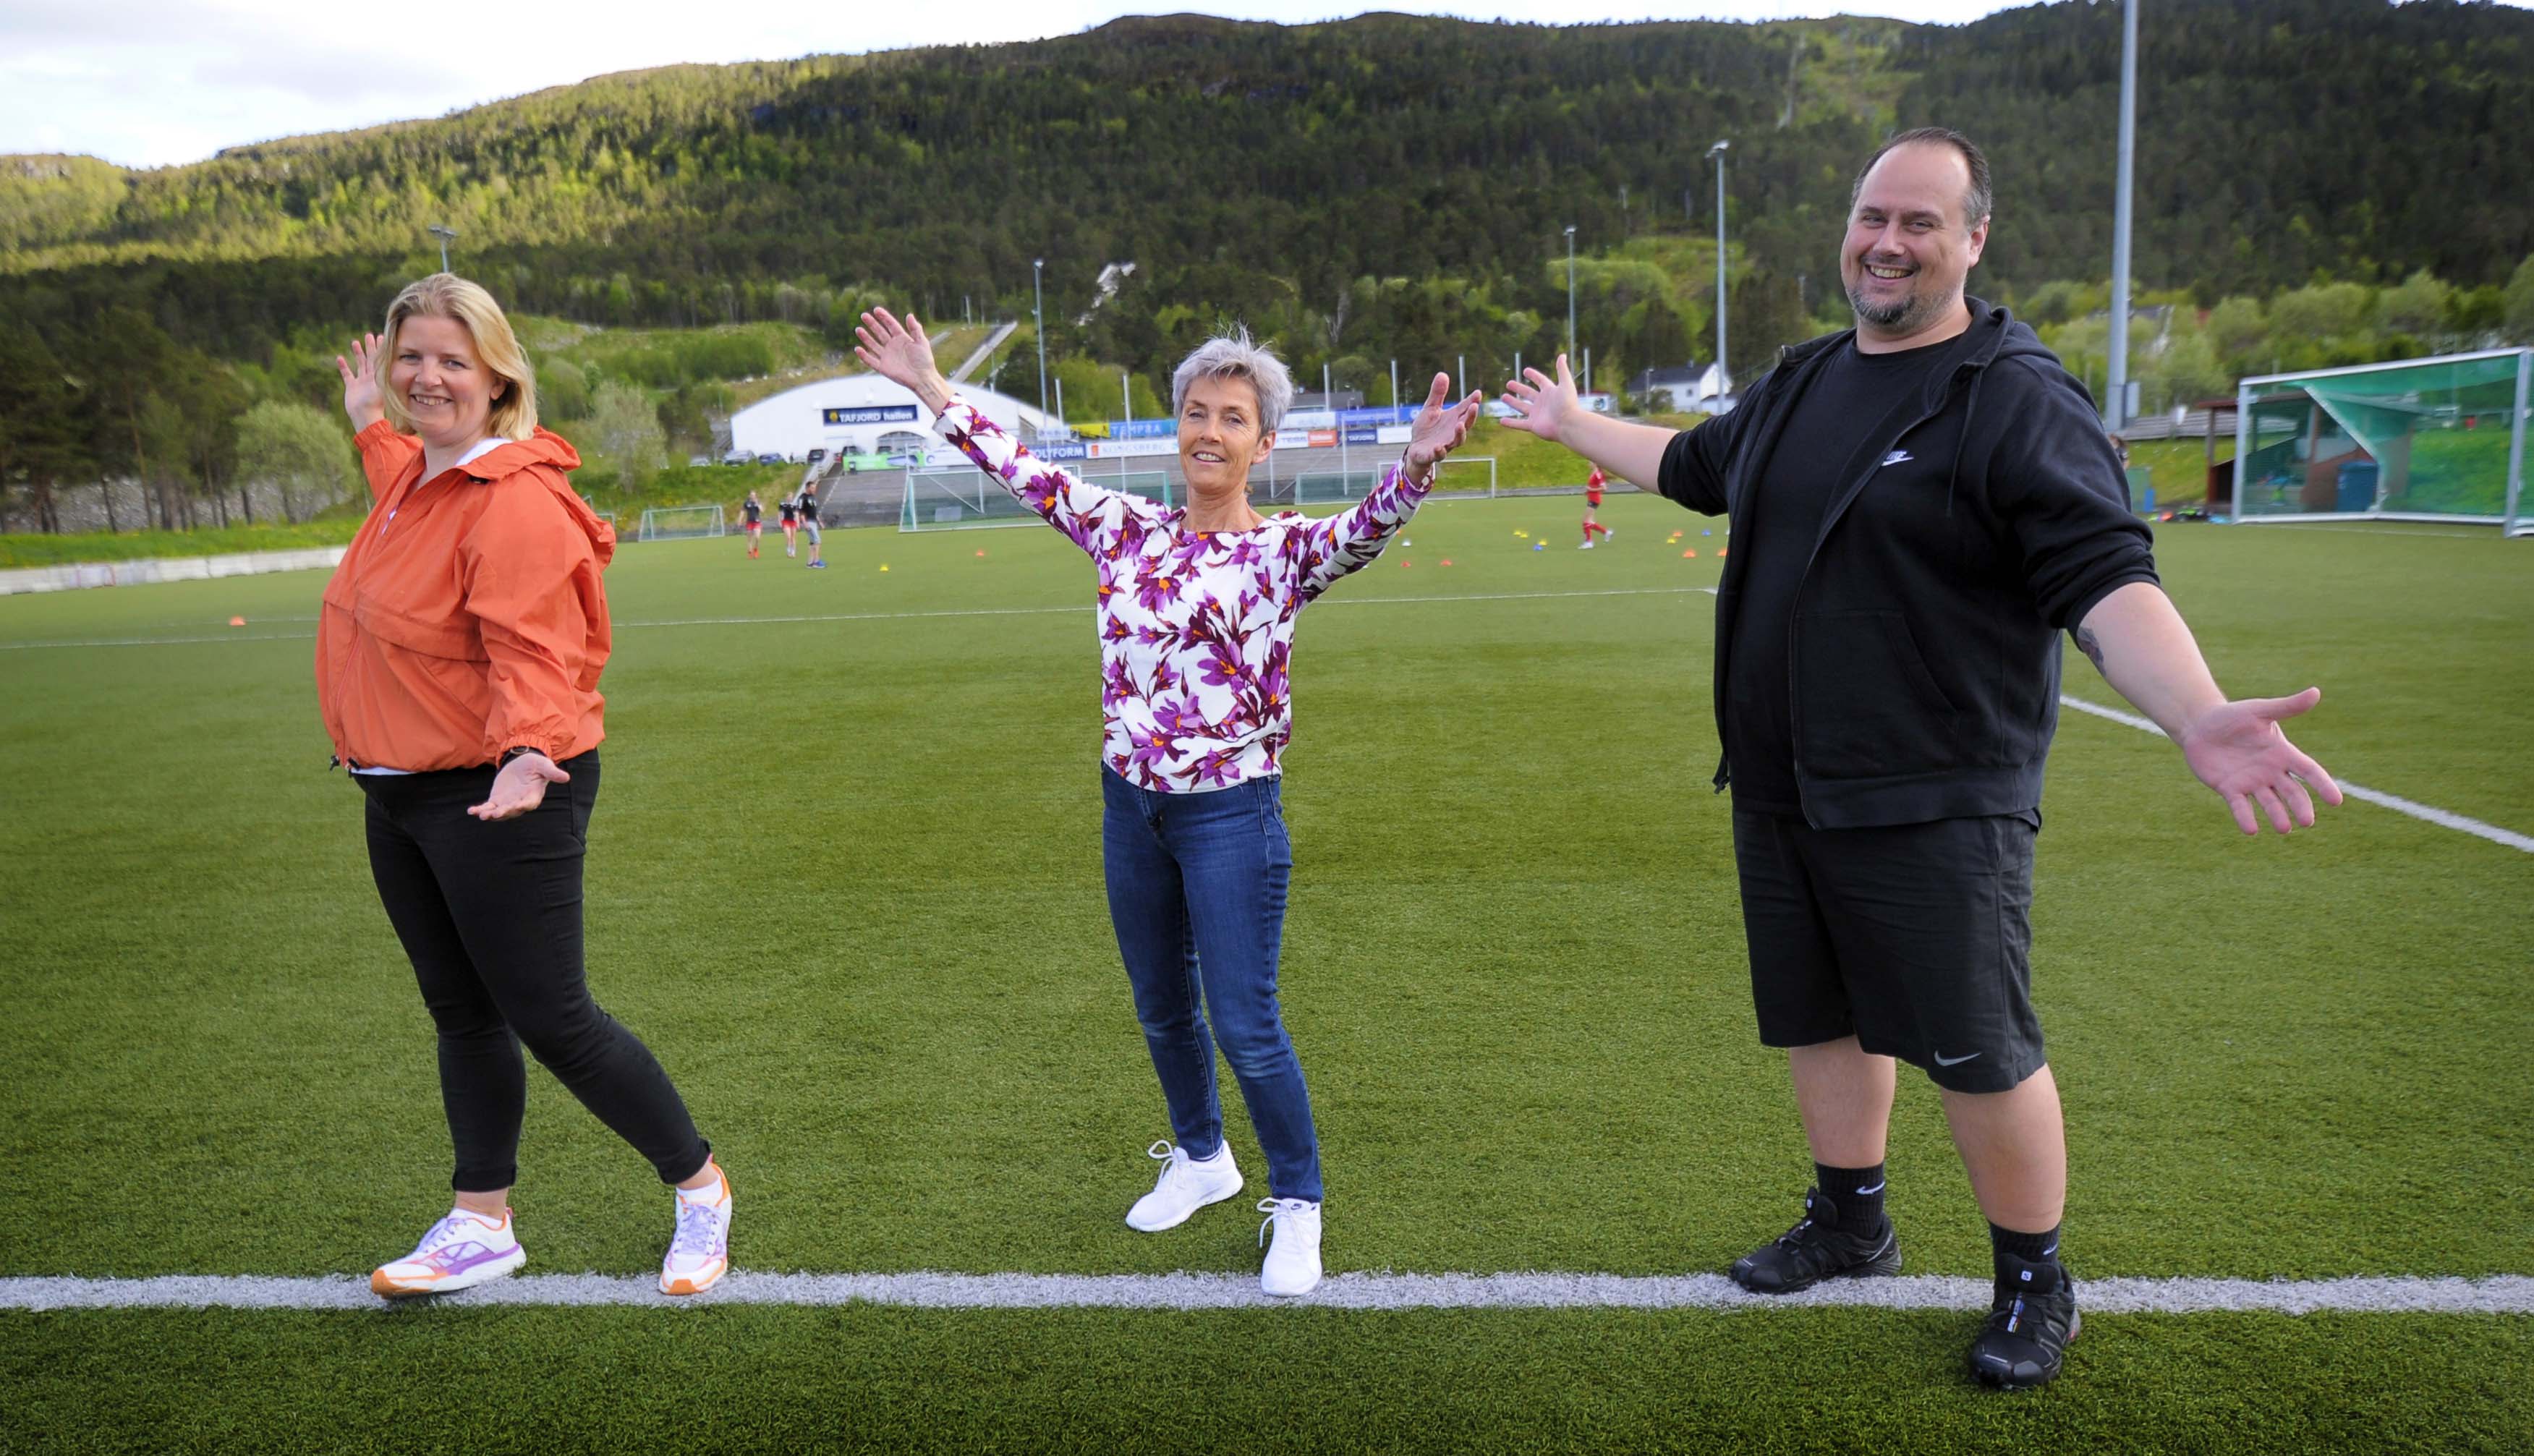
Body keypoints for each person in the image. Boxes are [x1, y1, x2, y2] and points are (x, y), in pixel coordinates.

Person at [1499, 129, 2341, 1389]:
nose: (1886, 242)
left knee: (1974, 1045)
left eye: (1919, 223)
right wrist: (1571, 424)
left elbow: (2101, 573)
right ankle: (1850, 1219)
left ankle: (2033, 1280)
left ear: (1972, 242)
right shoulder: (1802, 378)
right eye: (1870, 217)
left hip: (1933, 792)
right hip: (1786, 781)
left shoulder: (2010, 392)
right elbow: (1689, 467)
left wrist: (2195, 711)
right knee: (1822, 1019)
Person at [855, 306, 1481, 1297]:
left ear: (1263, 443)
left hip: (1231, 815)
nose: (1209, 430)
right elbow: (1022, 469)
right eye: (1196, 411)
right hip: (1130, 810)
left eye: (1232, 417)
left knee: (1244, 1021)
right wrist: (933, 388)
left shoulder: (1281, 555)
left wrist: (1412, 470)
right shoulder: (1122, 529)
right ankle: (1200, 1157)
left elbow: (1363, 532)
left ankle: (1297, 1200)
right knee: (1159, 1007)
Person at [322, 273, 734, 1300]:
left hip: (503, 783)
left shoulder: (511, 502)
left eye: (451, 360)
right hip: (400, 791)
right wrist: (368, 418)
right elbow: (398, 478)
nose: (427, 376)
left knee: (552, 1016)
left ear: (498, 376)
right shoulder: (419, 475)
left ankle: (700, 1187)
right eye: (409, 354)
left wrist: (524, 751)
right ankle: (480, 1222)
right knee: (461, 1014)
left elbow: (536, 651)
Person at [1580, 464, 1614, 548]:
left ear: (1595, 464)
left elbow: (1604, 488)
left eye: (1590, 462)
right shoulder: (1593, 473)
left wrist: (1591, 490)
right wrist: (1588, 492)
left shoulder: (1598, 474)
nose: (1589, 464)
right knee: (1589, 522)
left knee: (1586, 521)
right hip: (1592, 499)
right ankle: (1606, 532)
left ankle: (1589, 542)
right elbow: (1593, 486)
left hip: (1594, 500)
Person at [795, 480, 825, 568]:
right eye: (812, 488)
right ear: (808, 488)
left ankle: (810, 563)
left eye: (815, 487)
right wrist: (804, 523)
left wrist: (819, 522)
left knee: (812, 542)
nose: (814, 489)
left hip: (814, 521)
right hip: (808, 522)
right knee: (818, 541)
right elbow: (801, 511)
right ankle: (816, 562)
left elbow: (814, 511)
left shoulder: (813, 497)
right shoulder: (802, 498)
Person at [741, 489, 765, 558]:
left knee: (757, 538)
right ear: (749, 496)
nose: (753, 496)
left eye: (754, 495)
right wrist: (740, 519)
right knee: (749, 539)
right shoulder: (746, 503)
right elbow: (743, 511)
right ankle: (750, 552)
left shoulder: (758, 502)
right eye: (752, 495)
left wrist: (757, 504)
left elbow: (762, 511)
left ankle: (756, 550)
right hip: (749, 522)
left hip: (757, 522)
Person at [778, 487, 801, 556]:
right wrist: (779, 522)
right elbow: (779, 513)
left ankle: (793, 551)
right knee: (788, 537)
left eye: (791, 497)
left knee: (793, 537)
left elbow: (797, 514)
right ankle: (788, 549)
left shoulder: (794, 505)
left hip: (793, 522)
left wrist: (798, 523)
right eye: (789, 497)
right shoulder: (782, 504)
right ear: (786, 497)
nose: (790, 498)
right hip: (785, 521)